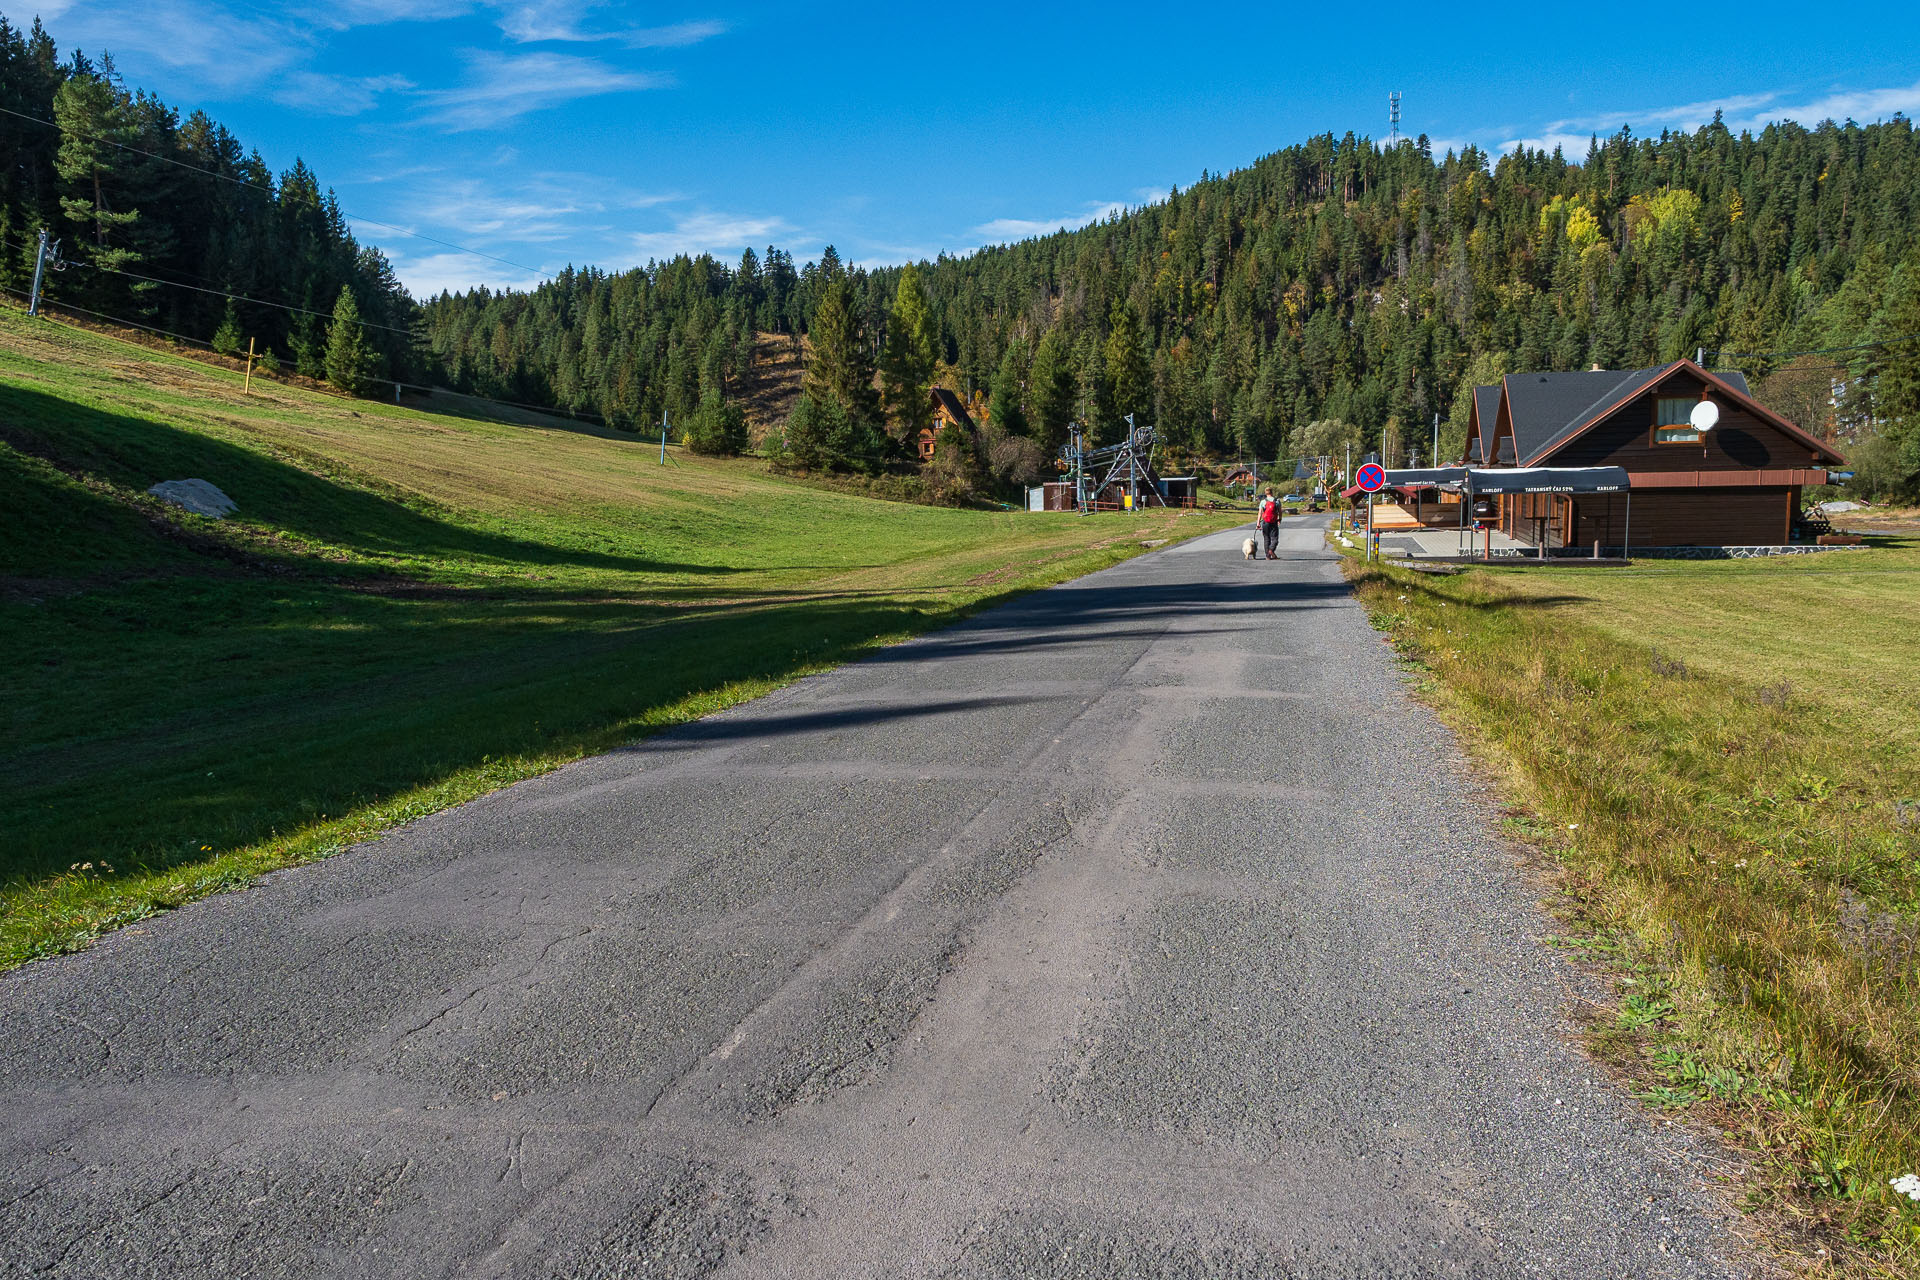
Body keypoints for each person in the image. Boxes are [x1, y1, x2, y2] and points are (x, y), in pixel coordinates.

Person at [1255, 486, 1281, 559]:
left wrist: (1258, 523)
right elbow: (1280, 511)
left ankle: (1268, 556)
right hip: (1274, 522)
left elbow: (1260, 513)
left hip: (1265, 522)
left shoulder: (1263, 502)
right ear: (1272, 492)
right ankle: (1271, 550)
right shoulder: (1277, 501)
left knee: (1266, 539)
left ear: (1265, 493)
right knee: (1275, 538)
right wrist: (1280, 519)